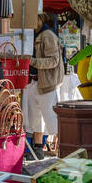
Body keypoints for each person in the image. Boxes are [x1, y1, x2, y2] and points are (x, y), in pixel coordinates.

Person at [29, 12, 65, 155]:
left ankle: (62, 149)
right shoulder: (33, 34)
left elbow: (53, 61)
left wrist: (31, 61)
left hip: (47, 84)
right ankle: (38, 148)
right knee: (35, 118)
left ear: (39, 19)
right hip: (34, 82)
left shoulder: (48, 35)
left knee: (51, 119)